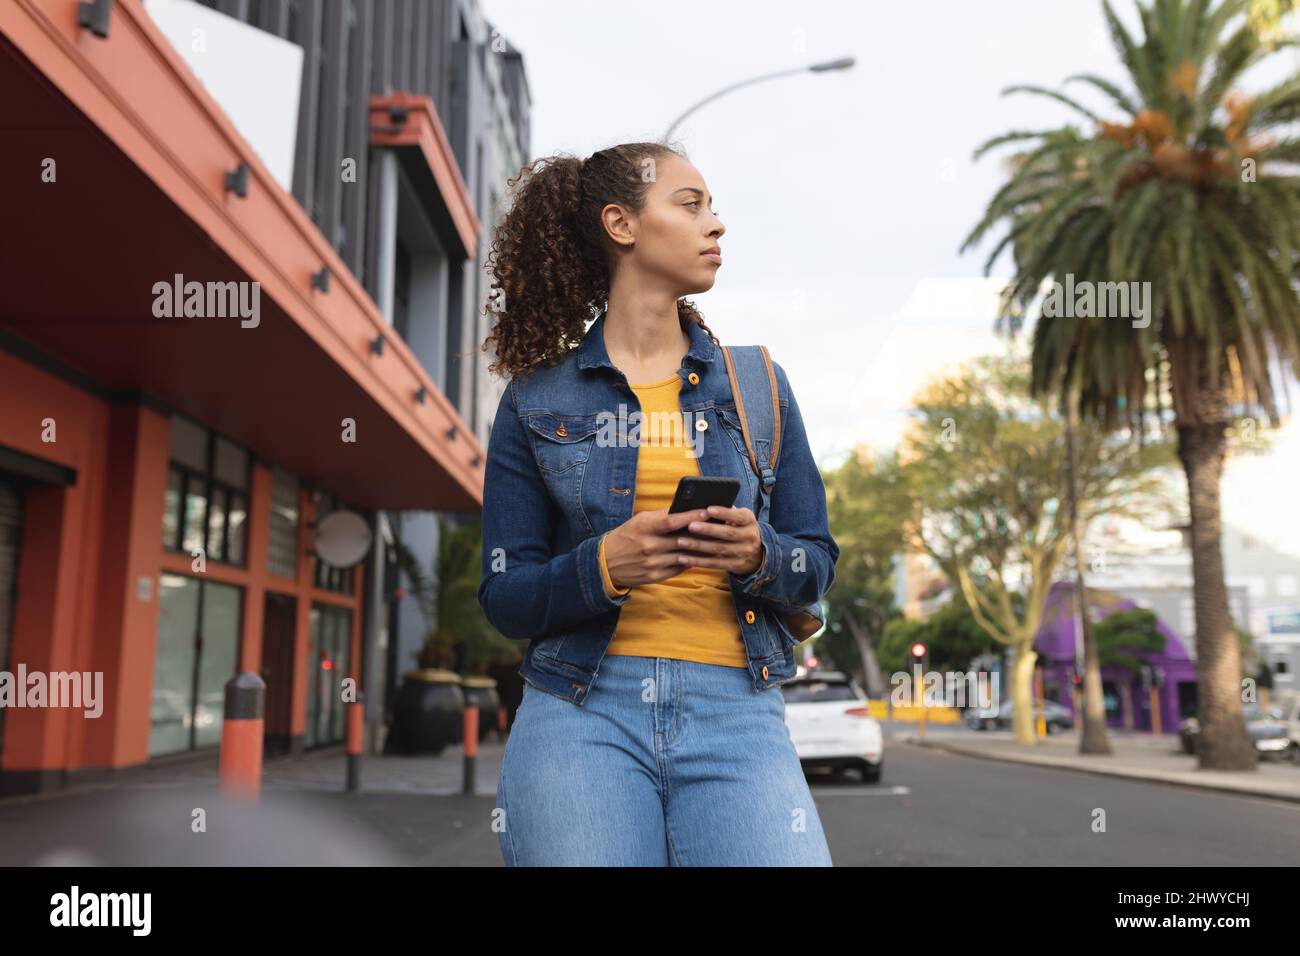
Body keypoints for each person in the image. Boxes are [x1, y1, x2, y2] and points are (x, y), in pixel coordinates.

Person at [477, 142, 840, 866]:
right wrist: (601, 567)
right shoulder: (534, 399)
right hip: (580, 713)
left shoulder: (758, 384)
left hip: (739, 710)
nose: (716, 225)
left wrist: (760, 554)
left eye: (712, 207)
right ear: (622, 224)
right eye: (691, 203)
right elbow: (504, 595)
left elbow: (817, 562)